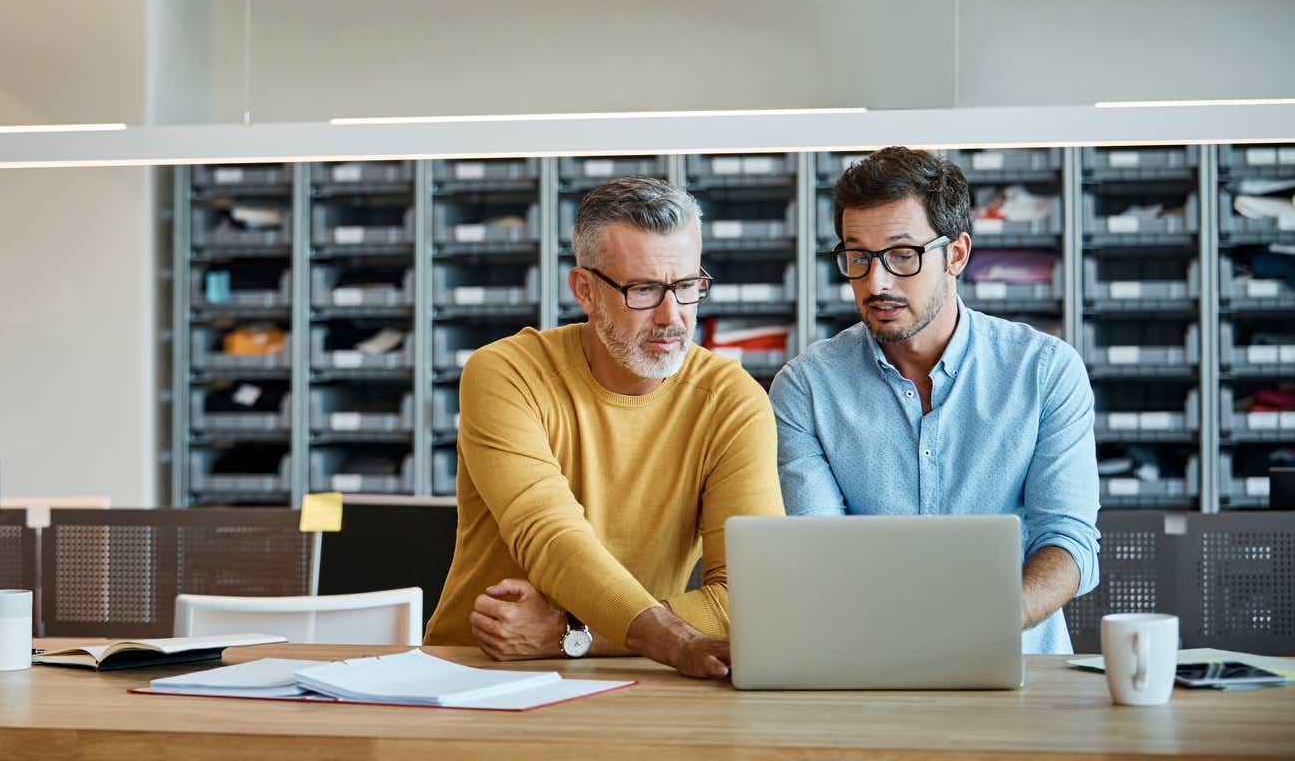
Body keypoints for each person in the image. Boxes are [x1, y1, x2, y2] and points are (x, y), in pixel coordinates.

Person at [423, 175, 785, 678]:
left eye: (685, 287)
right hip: (477, 673)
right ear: (585, 290)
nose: (672, 316)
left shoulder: (731, 399)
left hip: (640, 677)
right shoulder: (506, 374)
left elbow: (749, 595)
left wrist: (573, 637)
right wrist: (673, 639)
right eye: (643, 290)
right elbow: (551, 537)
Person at [771, 146, 1099, 653]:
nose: (876, 282)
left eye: (903, 255)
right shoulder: (807, 388)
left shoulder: (1044, 371)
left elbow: (1068, 543)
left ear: (957, 254)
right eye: (858, 256)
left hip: (1019, 668)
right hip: (868, 670)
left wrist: (982, 625)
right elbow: (818, 554)